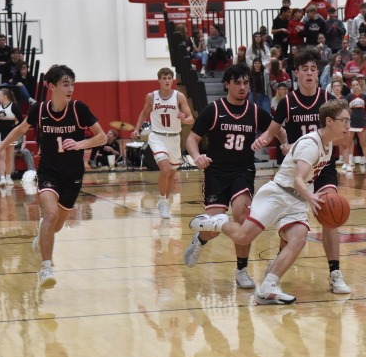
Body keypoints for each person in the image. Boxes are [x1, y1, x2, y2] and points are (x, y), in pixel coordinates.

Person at [190, 98, 351, 304]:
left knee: (298, 239)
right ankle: (215, 222)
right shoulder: (311, 145)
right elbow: (298, 179)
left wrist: (306, 196)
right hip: (278, 194)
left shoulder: (326, 145)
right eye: (344, 120)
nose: (348, 125)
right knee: (243, 237)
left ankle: (268, 287)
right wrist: (311, 196)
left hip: (296, 201)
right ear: (329, 121)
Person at [0, 64, 107, 288]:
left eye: (72, 84)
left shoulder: (78, 109)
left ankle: (42, 235)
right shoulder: (39, 110)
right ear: (51, 86)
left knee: (55, 226)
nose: (70, 88)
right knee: (50, 214)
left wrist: (80, 143)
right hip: (49, 171)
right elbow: (19, 130)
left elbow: (102, 137)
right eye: (65, 84)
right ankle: (46, 268)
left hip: (73, 174)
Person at [251, 49, 352, 294]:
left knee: (329, 212)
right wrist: (263, 140)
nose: (309, 73)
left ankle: (335, 272)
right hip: (299, 167)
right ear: (296, 73)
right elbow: (272, 131)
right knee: (290, 223)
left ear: (318, 73)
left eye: (313, 69)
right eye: (304, 69)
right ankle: (276, 267)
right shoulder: (287, 102)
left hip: (323, 166)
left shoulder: (327, 100)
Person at [183, 64, 286, 289]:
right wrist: (197, 157)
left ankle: (241, 270)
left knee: (242, 216)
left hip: (243, 171)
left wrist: (283, 145)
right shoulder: (214, 109)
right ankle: (200, 239)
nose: (242, 87)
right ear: (226, 84)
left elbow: (279, 131)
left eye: (246, 83)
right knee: (214, 227)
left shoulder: (255, 111)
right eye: (237, 83)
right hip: (216, 173)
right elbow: (192, 139)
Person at [130, 68, 194, 219]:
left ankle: (164, 201)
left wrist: (184, 119)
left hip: (174, 138)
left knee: (172, 173)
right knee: (165, 169)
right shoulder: (151, 96)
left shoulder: (179, 96)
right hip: (157, 137)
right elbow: (144, 113)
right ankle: (163, 201)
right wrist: (136, 129)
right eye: (164, 78)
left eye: (169, 78)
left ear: (172, 80)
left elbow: (191, 119)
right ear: (159, 80)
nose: (167, 80)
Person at [0, 87, 23, 185]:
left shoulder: (14, 106)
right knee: (1, 156)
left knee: (9, 157)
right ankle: (2, 178)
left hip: (10, 135)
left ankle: (8, 177)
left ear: (5, 96)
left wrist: (14, 128)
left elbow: (21, 121)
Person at [344, 78, 366, 171]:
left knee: (363, 143)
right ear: (351, 87)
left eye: (356, 84)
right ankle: (347, 162)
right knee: (348, 143)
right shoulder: (348, 97)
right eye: (353, 85)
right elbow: (345, 110)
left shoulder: (364, 96)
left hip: (361, 122)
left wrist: (361, 116)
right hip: (351, 123)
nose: (355, 86)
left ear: (359, 85)